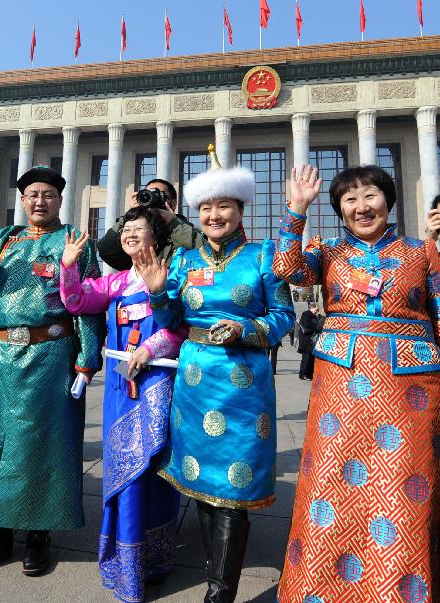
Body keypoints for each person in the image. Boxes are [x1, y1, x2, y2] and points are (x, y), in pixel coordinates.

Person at [273, 164, 440, 602]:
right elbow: (286, 268)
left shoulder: (422, 253)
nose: (362, 207)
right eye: (350, 199)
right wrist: (297, 209)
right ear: (340, 210)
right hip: (340, 390)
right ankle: (318, 590)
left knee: (404, 490)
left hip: (411, 392)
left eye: (371, 196)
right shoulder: (327, 252)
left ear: (388, 199)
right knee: (330, 484)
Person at [135, 150, 295, 602]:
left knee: (233, 486)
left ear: (241, 209)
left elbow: (282, 314)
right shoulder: (184, 260)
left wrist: (246, 328)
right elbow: (169, 320)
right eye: (206, 208)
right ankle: (214, 576)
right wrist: (156, 292)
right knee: (204, 484)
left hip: (244, 383)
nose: (214, 215)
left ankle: (221, 591)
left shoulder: (263, 255)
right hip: (196, 382)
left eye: (224, 206)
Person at [0, 166, 106, 578]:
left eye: (48, 194)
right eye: (33, 194)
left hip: (50, 354)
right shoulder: (5, 238)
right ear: (22, 200)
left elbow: (88, 302)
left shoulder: (73, 240)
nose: (40, 201)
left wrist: (88, 360)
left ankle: (38, 535)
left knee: (42, 447)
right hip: (0, 354)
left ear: (59, 199)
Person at [59, 206, 187, 602]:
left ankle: (155, 560)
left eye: (139, 228)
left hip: (156, 383)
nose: (130, 233)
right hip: (120, 387)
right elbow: (77, 301)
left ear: (156, 238)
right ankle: (124, 562)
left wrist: (150, 348)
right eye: (126, 228)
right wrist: (69, 266)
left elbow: (182, 327)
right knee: (122, 471)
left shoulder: (173, 274)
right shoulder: (114, 282)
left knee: (153, 469)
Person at [97, 178, 202, 270]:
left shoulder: (185, 229)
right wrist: (130, 216)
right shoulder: (136, 233)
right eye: (148, 195)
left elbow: (205, 253)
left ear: (173, 203)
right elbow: (106, 251)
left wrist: (173, 224)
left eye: (158, 195)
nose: (152, 199)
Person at [296, 302, 321, 380]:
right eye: (316, 310)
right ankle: (303, 374)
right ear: (312, 307)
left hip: (311, 340)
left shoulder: (313, 316)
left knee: (311, 358)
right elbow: (306, 323)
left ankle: (309, 374)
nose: (317, 312)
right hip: (306, 340)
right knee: (306, 358)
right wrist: (316, 327)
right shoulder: (306, 314)